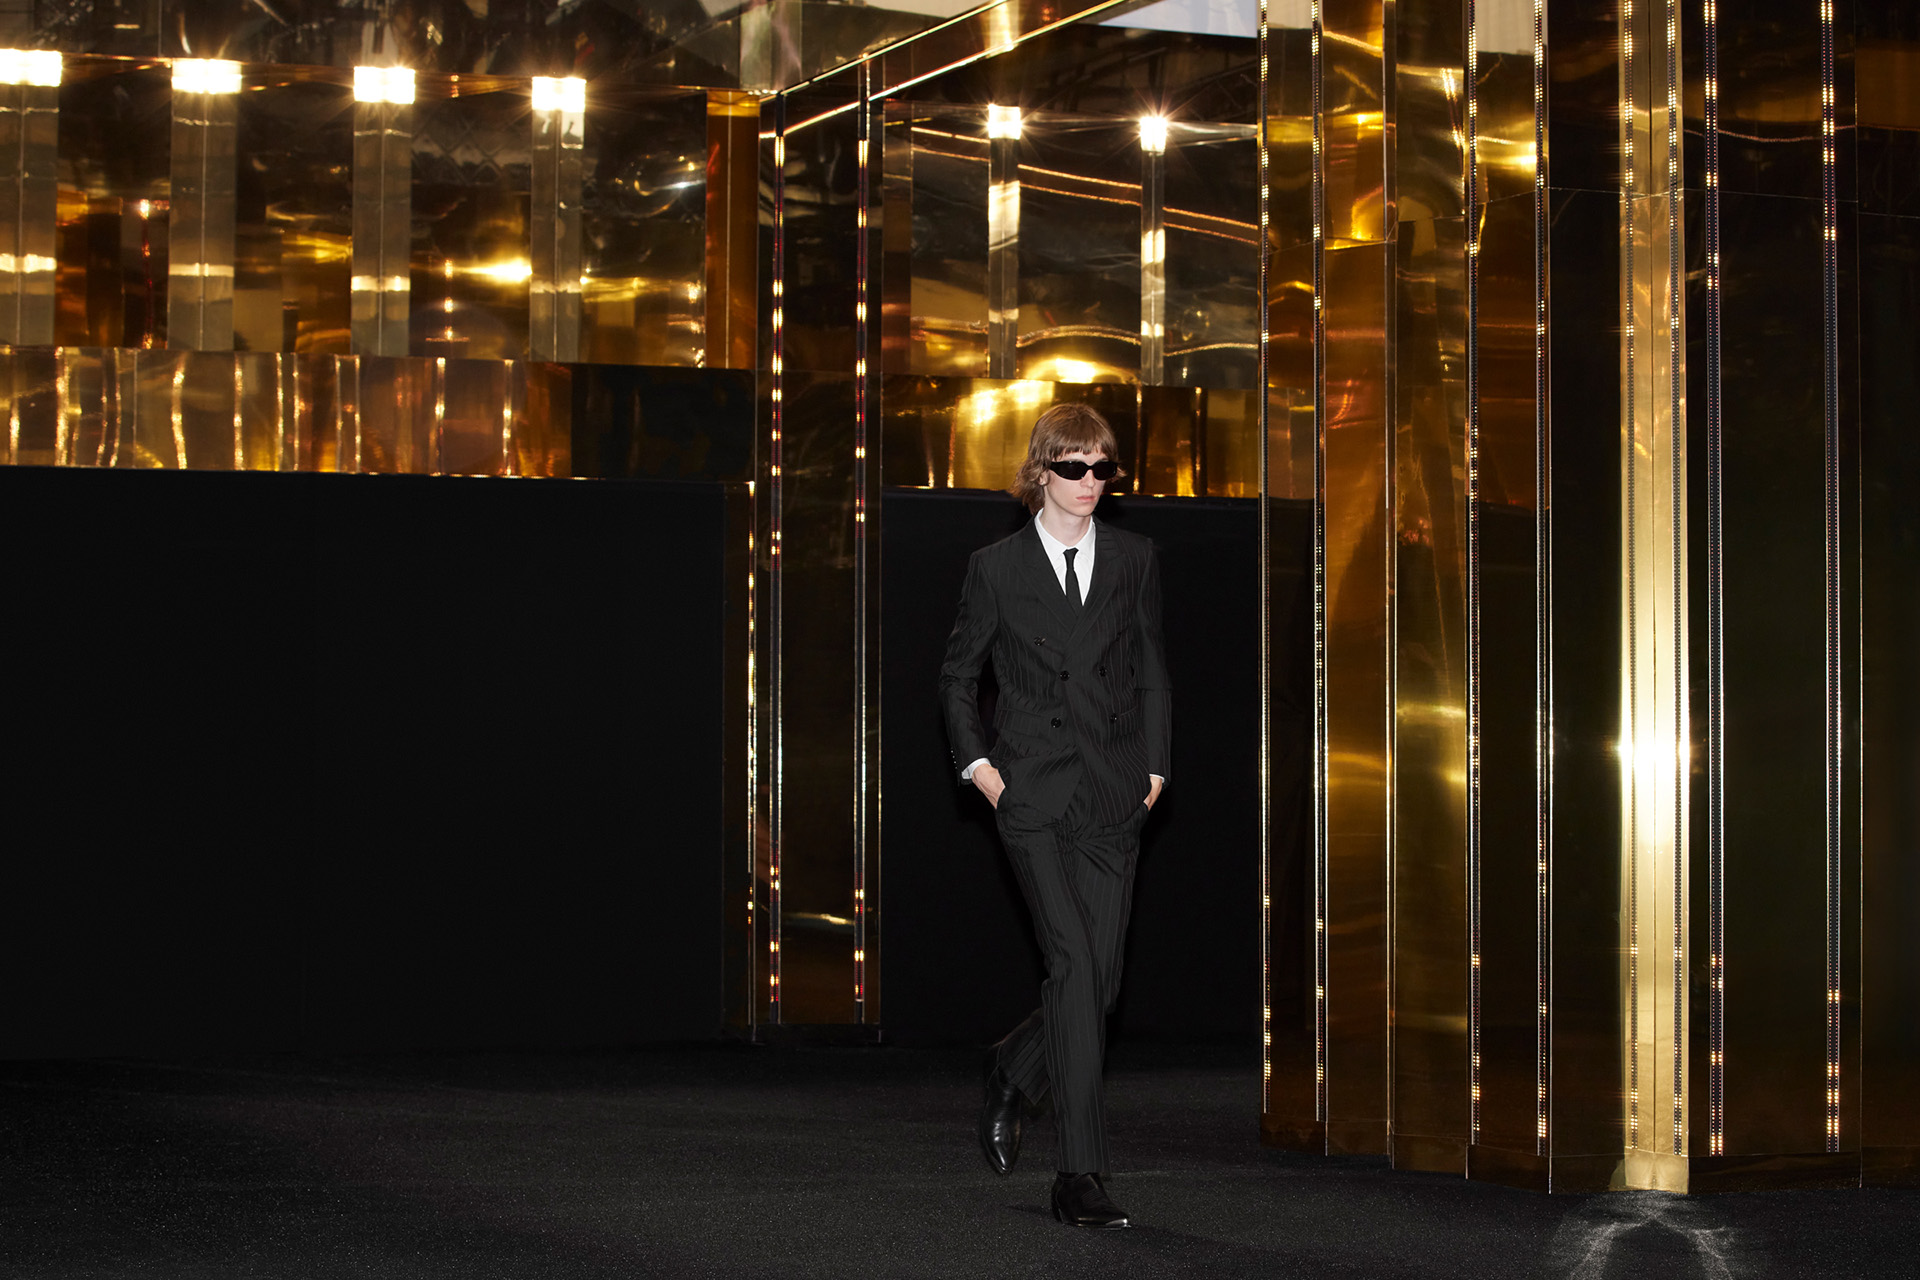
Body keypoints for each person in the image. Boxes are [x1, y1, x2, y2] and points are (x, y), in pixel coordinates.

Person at [937, 402, 1172, 1229]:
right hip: (1031, 795)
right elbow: (958, 677)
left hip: (1113, 794)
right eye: (1074, 466)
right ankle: (1079, 1174)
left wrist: (1154, 770)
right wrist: (982, 772)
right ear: (1041, 471)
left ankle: (1015, 1066)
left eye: (1102, 468)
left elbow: (1151, 667)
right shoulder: (995, 568)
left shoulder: (1135, 558)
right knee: (1074, 966)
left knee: (1096, 985)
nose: (1089, 481)